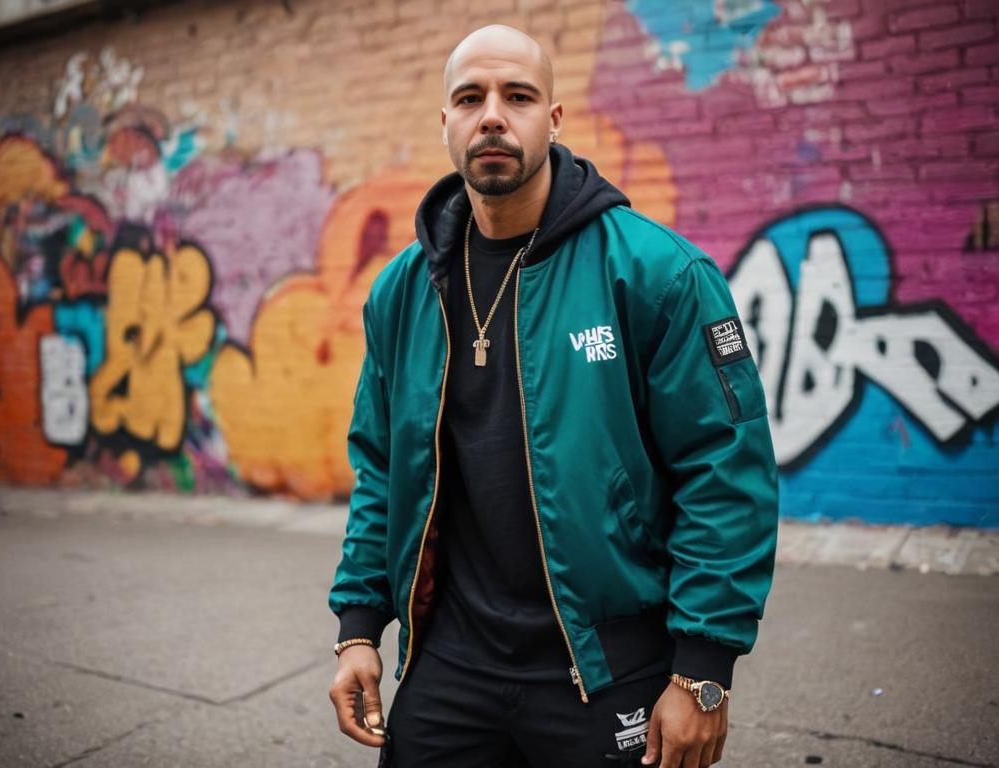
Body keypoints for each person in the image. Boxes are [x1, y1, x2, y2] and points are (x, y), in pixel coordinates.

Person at [328, 24, 778, 768]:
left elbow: (724, 469)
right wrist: (357, 627)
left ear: (555, 118)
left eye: (519, 96)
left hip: (607, 661)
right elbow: (381, 468)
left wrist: (702, 671)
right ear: (445, 122)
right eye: (470, 98)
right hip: (449, 662)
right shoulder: (401, 292)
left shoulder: (657, 273)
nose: (493, 115)